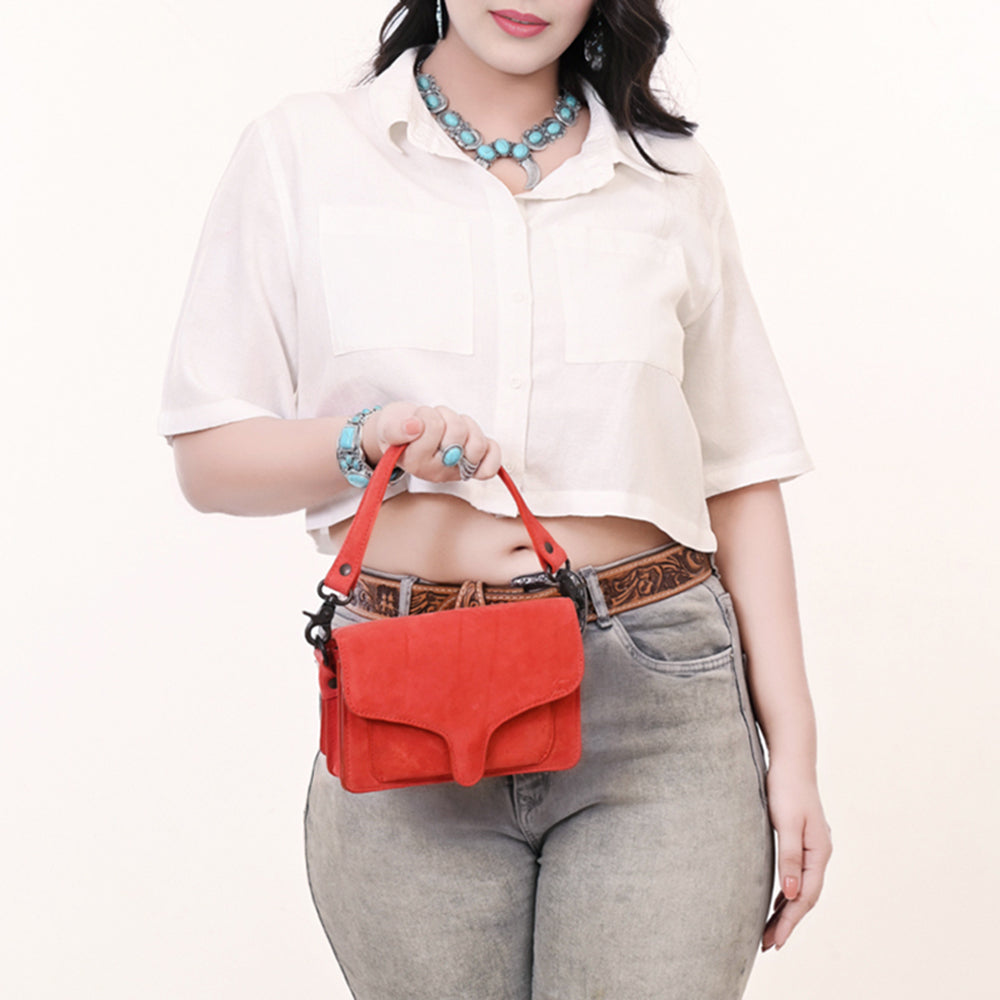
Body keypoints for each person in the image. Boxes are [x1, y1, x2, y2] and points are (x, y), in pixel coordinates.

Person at [159, 1, 832, 996]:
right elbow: (209, 458)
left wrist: (795, 752)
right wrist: (365, 439)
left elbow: (738, 474)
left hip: (655, 697)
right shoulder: (302, 151)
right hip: (404, 697)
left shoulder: (669, 176)